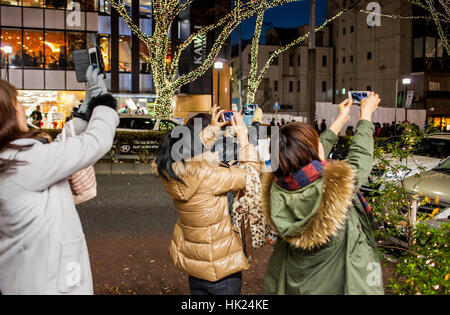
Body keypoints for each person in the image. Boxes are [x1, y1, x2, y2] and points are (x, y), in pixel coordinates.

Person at [0, 67, 118, 295]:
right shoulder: (25, 162)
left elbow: (59, 150)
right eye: (18, 102)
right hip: (49, 282)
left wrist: (84, 112)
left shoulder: (11, 160)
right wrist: (104, 102)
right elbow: (95, 142)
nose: (23, 108)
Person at [262, 92, 384, 295]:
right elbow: (360, 158)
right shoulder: (332, 187)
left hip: (297, 282)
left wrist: (340, 120)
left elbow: (311, 154)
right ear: (311, 152)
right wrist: (366, 116)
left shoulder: (280, 185)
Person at [156, 106, 260, 295]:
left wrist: (213, 128)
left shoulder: (171, 173)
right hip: (222, 269)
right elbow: (250, 176)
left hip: (196, 266)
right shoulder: (208, 175)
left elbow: (191, 151)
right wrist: (245, 139)